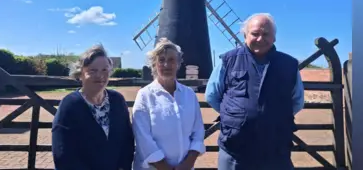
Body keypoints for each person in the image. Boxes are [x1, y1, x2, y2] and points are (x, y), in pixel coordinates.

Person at [205, 13, 305, 170]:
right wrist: (234, 116)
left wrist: (275, 117)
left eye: (266, 34)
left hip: (275, 149)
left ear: (274, 38)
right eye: (255, 34)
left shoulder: (289, 65)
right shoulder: (228, 61)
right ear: (245, 36)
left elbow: (297, 100)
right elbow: (212, 95)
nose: (260, 38)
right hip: (235, 150)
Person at [51, 44, 134, 170]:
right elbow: (63, 153)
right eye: (92, 70)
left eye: (104, 70)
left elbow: (127, 141)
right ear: (81, 74)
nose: (100, 75)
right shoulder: (69, 105)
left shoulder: (118, 100)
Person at [132, 38, 206, 170]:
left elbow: (198, 131)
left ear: (178, 63)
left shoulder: (189, 94)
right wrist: (164, 167)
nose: (166, 65)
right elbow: (143, 138)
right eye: (161, 60)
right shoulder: (144, 95)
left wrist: (188, 163)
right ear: (154, 64)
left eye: (171, 60)